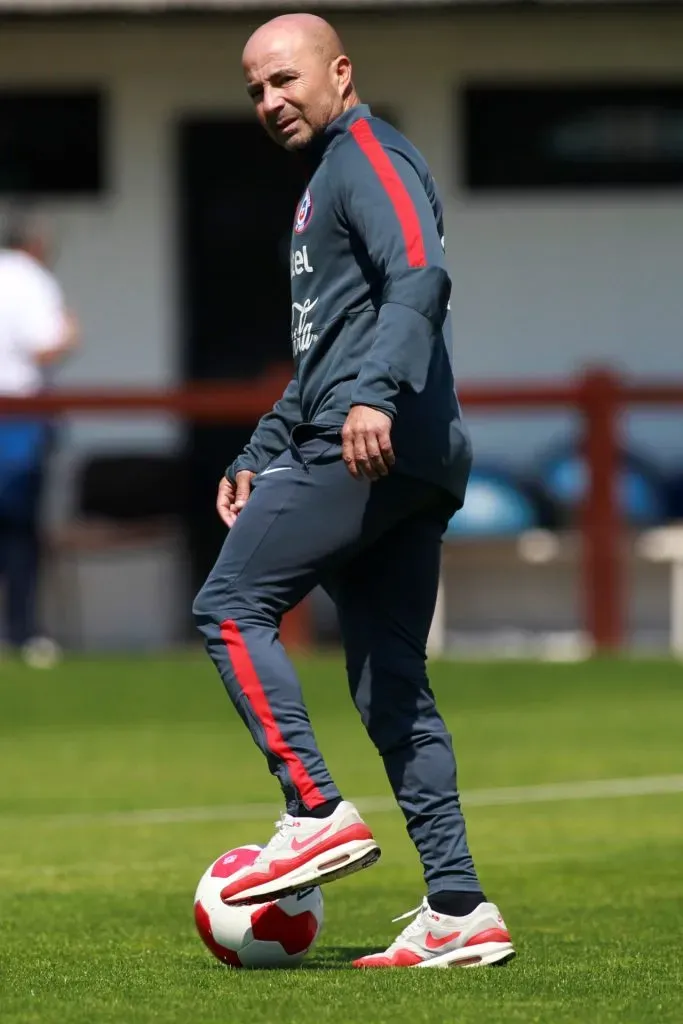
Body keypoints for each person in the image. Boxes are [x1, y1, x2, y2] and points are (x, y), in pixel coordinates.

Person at [193, 13, 514, 968]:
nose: (270, 101)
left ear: (340, 72)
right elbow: (325, 350)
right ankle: (459, 910)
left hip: (373, 442)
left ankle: (312, 811)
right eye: (255, 89)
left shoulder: (368, 155)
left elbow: (422, 276)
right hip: (398, 454)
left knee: (228, 605)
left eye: (285, 80)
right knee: (392, 691)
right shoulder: (326, 177)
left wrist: (373, 395)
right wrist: (262, 443)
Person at [0, 210, 80, 667]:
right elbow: (46, 345)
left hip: (17, 418)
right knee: (18, 528)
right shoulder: (33, 280)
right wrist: (71, 330)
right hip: (18, 417)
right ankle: (24, 632)